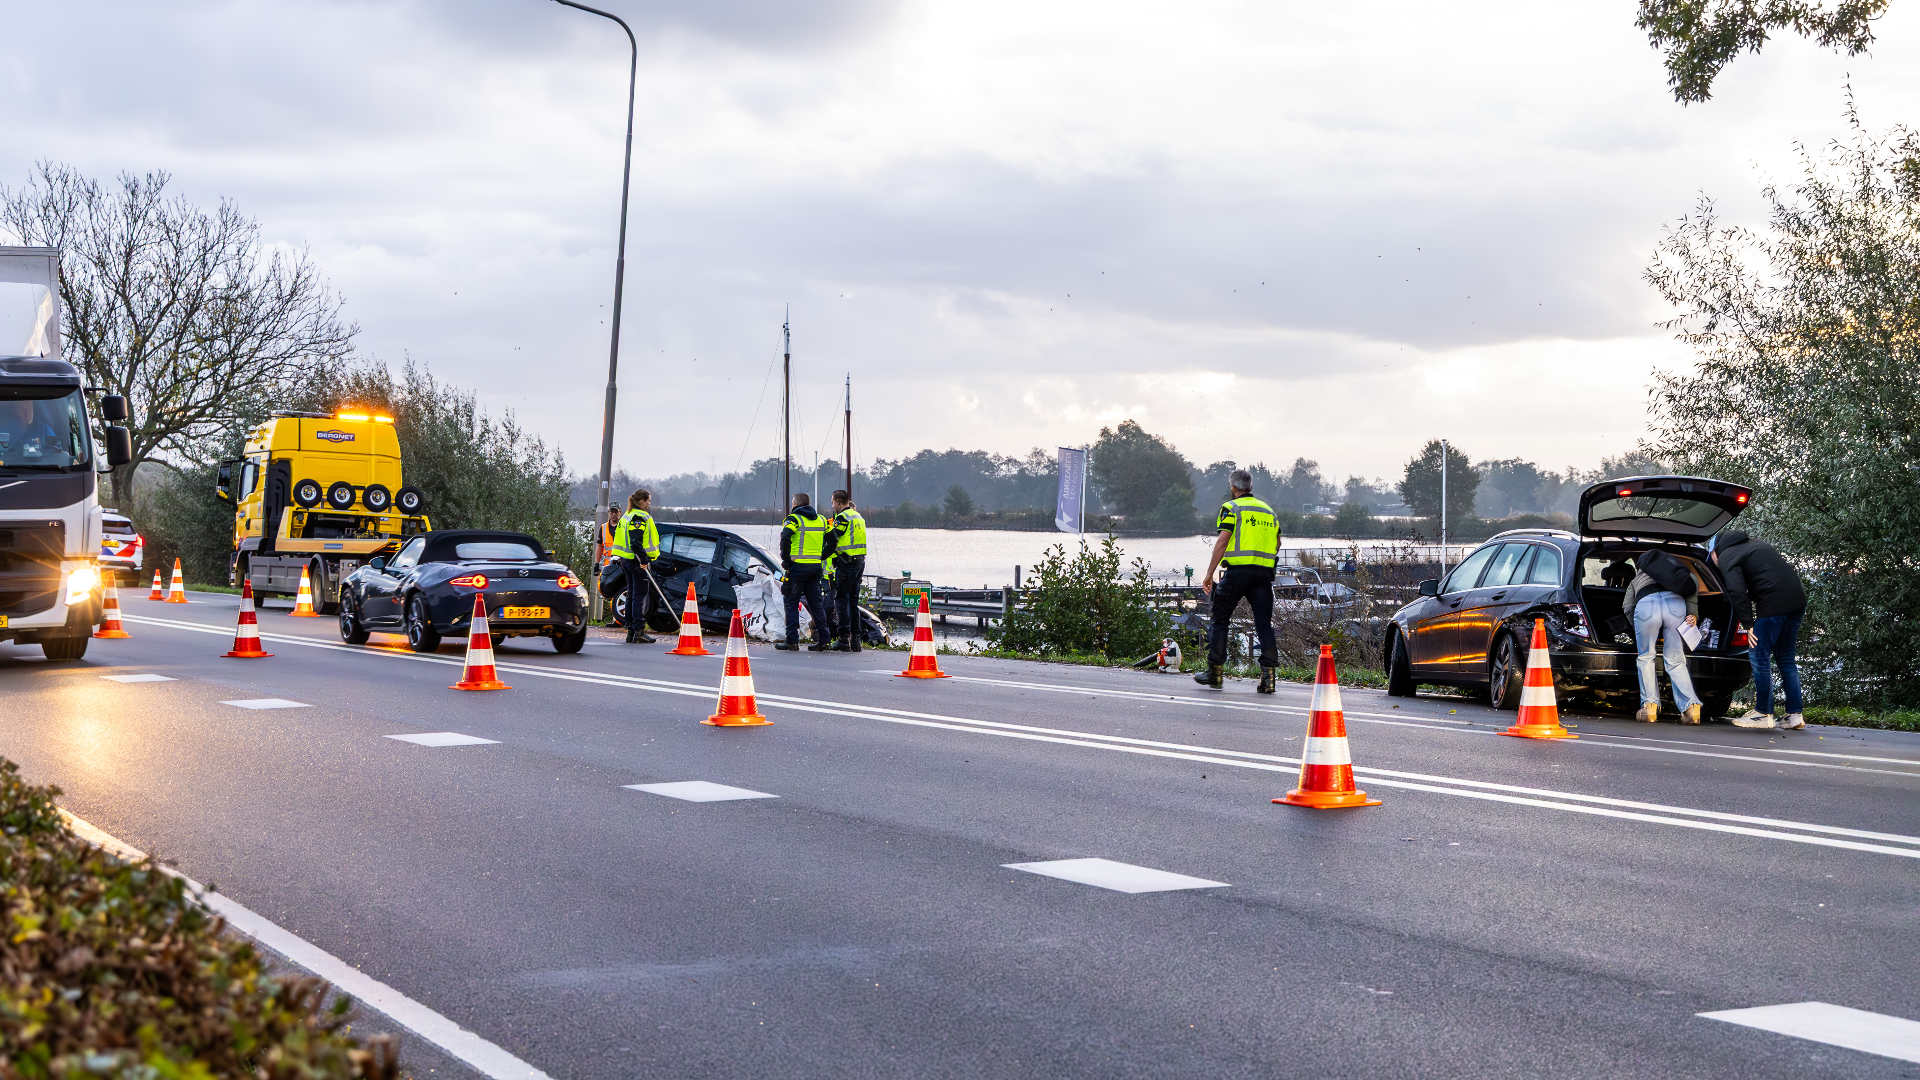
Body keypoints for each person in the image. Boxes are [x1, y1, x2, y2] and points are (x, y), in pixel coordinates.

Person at [1712, 529, 1808, 730]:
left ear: (1714, 552)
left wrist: (1748, 625)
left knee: (1758, 654)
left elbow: (1737, 591)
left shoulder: (1727, 555)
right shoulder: (1757, 544)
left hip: (1774, 604)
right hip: (1797, 600)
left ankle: (1763, 713)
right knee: (1786, 657)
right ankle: (1794, 715)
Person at [1195, 470, 1281, 693]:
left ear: (1233, 488)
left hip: (1237, 574)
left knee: (1220, 618)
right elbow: (1278, 543)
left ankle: (1215, 673)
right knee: (1264, 624)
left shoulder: (1231, 508)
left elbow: (1222, 542)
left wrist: (1209, 573)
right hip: (1263, 575)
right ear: (1250, 488)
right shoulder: (1269, 512)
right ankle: (1269, 679)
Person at [1622, 548, 1701, 723]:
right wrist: (1693, 613)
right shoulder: (1675, 572)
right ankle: (1692, 707)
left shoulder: (1638, 579)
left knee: (1646, 657)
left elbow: (1627, 606)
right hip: (1676, 606)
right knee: (1676, 660)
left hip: (1646, 606)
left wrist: (1639, 628)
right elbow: (1693, 582)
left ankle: (1650, 708)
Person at [777, 492, 834, 652]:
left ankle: (792, 641)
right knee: (816, 605)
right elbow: (833, 539)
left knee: (791, 602)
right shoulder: (822, 519)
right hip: (815, 568)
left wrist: (786, 560)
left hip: (797, 568)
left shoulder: (793, 519)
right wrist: (822, 556)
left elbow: (785, 536)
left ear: (795, 503)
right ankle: (824, 640)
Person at [609, 489, 661, 644]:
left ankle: (631, 631)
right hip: (636, 561)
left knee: (632, 595)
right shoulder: (639, 517)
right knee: (639, 596)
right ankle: (639, 631)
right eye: (648, 501)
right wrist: (644, 559)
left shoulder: (627, 515)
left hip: (627, 560)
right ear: (642, 501)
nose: (649, 504)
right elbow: (635, 541)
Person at [828, 490, 867, 651]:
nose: (832, 505)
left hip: (847, 564)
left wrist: (823, 552)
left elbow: (833, 537)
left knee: (841, 601)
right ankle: (856, 640)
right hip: (859, 563)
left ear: (838, 501)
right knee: (853, 602)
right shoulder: (859, 517)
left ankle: (843, 639)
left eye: (832, 502)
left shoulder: (843, 517)